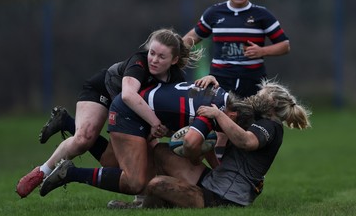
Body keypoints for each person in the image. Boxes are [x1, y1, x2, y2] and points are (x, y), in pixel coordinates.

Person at [16, 28, 202, 198]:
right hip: (101, 91)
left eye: (161, 57)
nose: (153, 59)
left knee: (115, 163)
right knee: (83, 138)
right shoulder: (139, 62)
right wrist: (154, 124)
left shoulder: (176, 79)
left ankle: (66, 122)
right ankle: (42, 171)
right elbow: (129, 95)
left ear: (174, 60)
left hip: (129, 111)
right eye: (152, 53)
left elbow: (170, 114)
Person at [37, 78, 249, 199]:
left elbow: (205, 141)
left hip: (144, 112)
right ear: (233, 116)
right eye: (232, 128)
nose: (227, 132)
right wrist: (195, 158)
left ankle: (66, 122)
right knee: (136, 181)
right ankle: (71, 173)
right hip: (130, 112)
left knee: (110, 162)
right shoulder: (214, 112)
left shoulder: (219, 93)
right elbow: (192, 143)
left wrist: (218, 171)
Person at [140, 78, 311, 208]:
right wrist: (211, 80)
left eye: (262, 94)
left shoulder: (271, 126)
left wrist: (217, 115)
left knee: (157, 184)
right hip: (214, 181)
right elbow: (228, 109)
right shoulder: (254, 117)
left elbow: (247, 142)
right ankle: (147, 204)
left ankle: (155, 204)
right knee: (161, 151)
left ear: (272, 102)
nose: (257, 95)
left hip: (226, 196)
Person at [182, 0, 291, 159]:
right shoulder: (214, 13)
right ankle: (221, 170)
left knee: (252, 127)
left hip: (253, 81)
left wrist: (262, 50)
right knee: (221, 126)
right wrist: (174, 51)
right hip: (221, 80)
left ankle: (253, 172)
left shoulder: (261, 15)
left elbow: (284, 45)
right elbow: (192, 38)